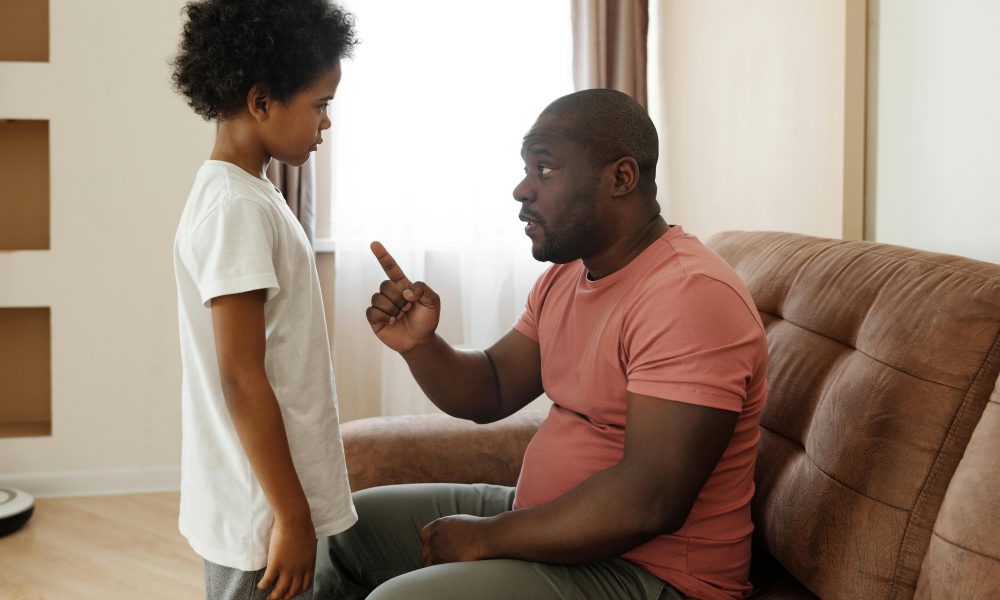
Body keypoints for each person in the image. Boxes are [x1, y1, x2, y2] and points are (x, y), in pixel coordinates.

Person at [316, 88, 768, 600]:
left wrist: (487, 538)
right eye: (526, 168)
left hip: (652, 574)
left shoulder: (688, 295)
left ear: (621, 178)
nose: (521, 189)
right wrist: (421, 345)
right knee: (342, 530)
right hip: (545, 523)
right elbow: (491, 388)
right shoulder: (568, 275)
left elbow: (651, 500)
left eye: (545, 169)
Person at [170, 2, 359, 599]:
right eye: (320, 104)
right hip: (260, 512)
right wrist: (292, 517)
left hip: (265, 501)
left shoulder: (250, 194)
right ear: (260, 101)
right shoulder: (236, 209)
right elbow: (241, 376)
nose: (327, 122)